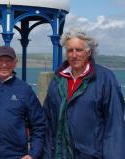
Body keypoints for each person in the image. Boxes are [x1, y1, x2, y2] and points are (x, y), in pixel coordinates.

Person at [43, 28, 125, 159]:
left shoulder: (104, 79)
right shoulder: (58, 80)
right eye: (70, 50)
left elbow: (114, 126)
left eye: (79, 50)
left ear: (89, 52)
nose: (74, 55)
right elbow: (48, 120)